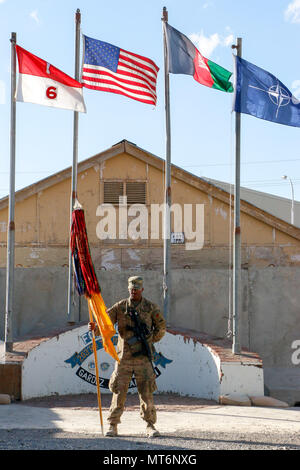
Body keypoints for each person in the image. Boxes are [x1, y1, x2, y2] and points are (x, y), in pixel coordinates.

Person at [88, 276, 166, 438]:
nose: (134, 291)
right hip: (123, 358)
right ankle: (113, 425)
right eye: (131, 289)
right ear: (128, 289)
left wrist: (149, 341)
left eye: (136, 289)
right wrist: (95, 328)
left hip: (143, 359)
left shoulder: (150, 307)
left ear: (142, 289)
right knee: (119, 392)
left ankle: (150, 425)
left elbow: (161, 327)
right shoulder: (120, 307)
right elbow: (106, 324)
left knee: (146, 393)